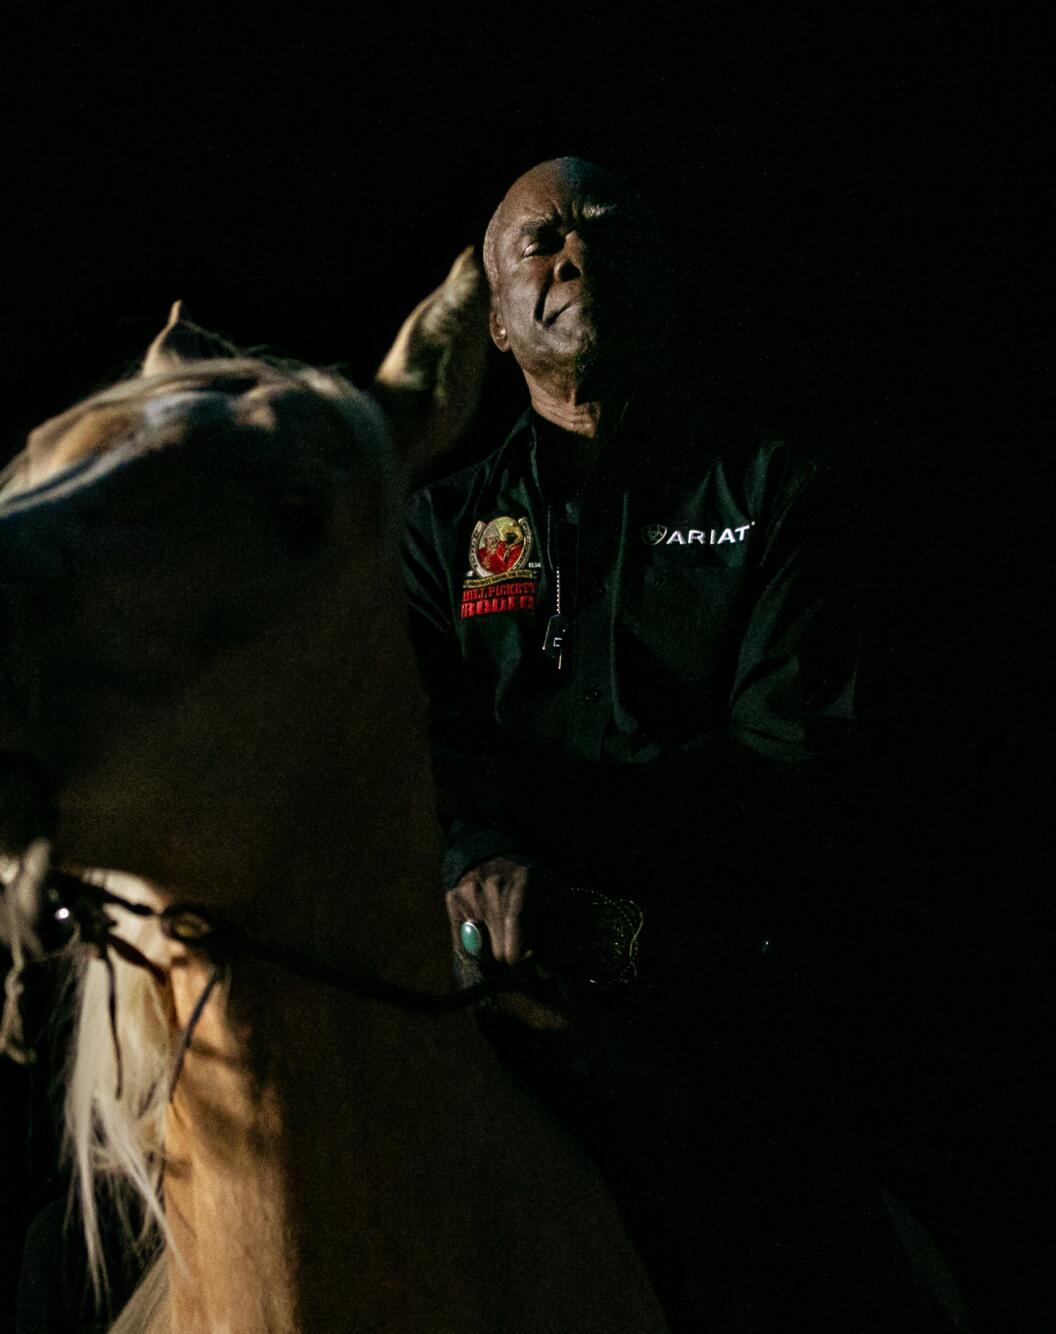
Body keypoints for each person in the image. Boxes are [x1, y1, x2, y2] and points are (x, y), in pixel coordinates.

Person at [402, 158, 957, 1332]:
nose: (574, 254)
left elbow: (782, 771)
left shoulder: (778, 490)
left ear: (665, 284)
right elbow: (413, 761)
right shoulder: (435, 530)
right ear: (496, 326)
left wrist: (538, 845)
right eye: (538, 242)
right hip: (477, 978)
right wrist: (480, 861)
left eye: (608, 233)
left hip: (703, 981)